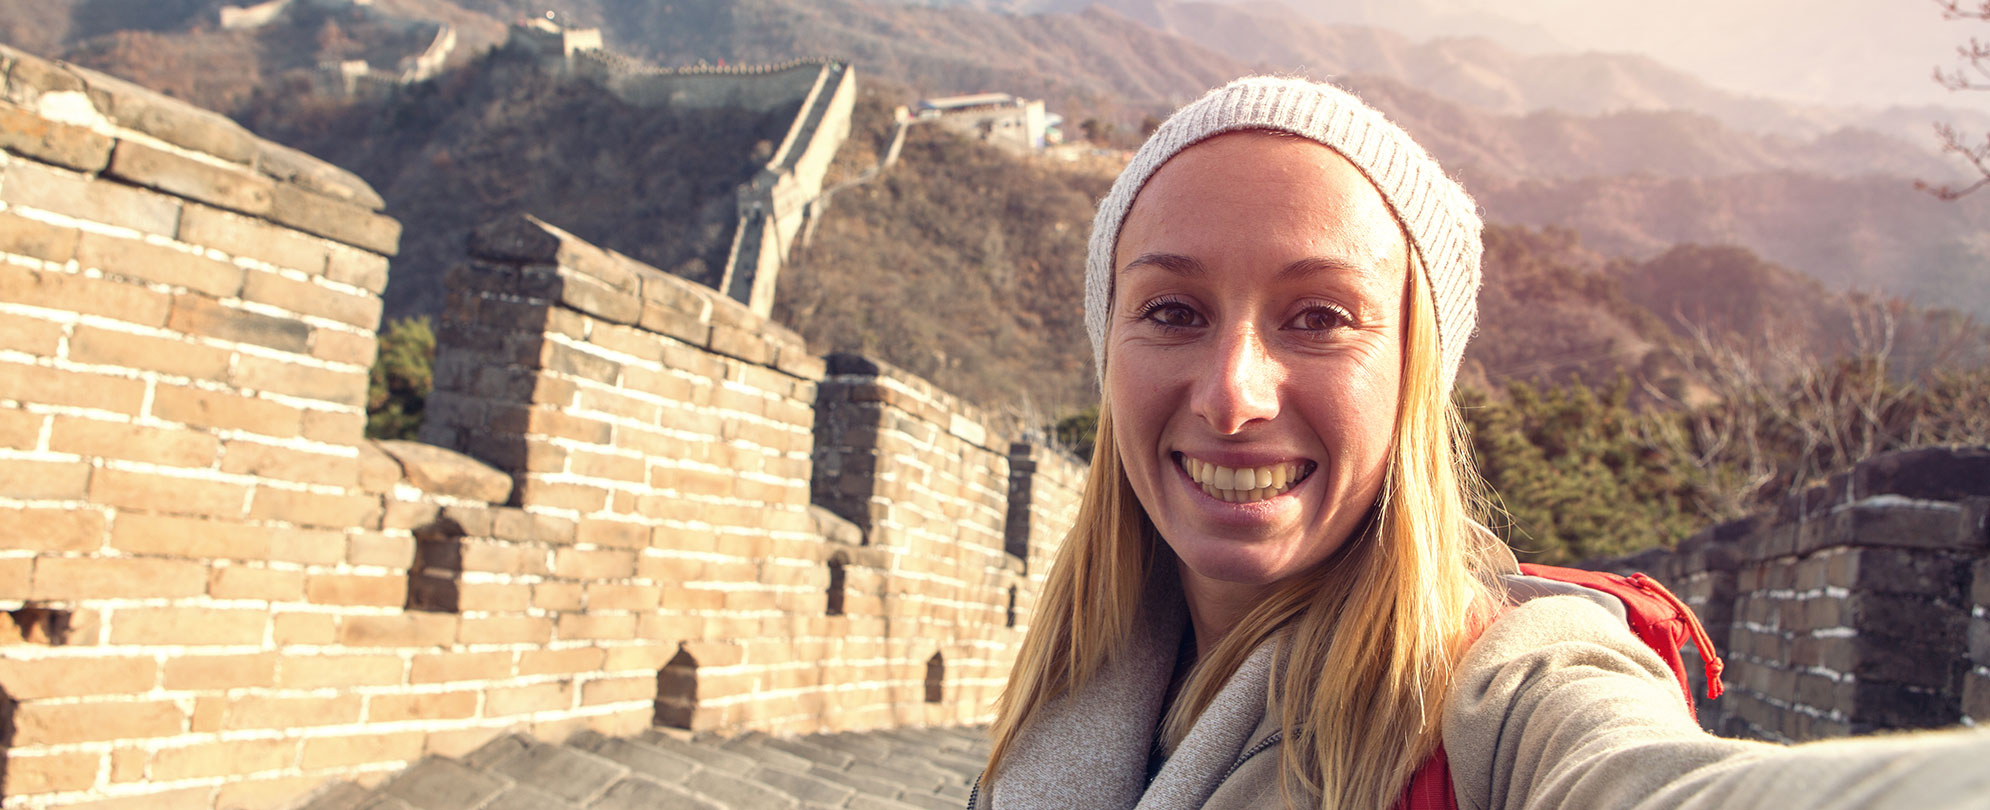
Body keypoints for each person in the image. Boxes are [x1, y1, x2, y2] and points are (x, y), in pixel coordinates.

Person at [973, 76, 1990, 810]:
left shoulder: (1510, 691)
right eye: (1172, 311)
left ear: (1418, 375)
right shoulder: (1075, 695)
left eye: (1320, 317)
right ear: (1107, 349)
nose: (1232, 394)